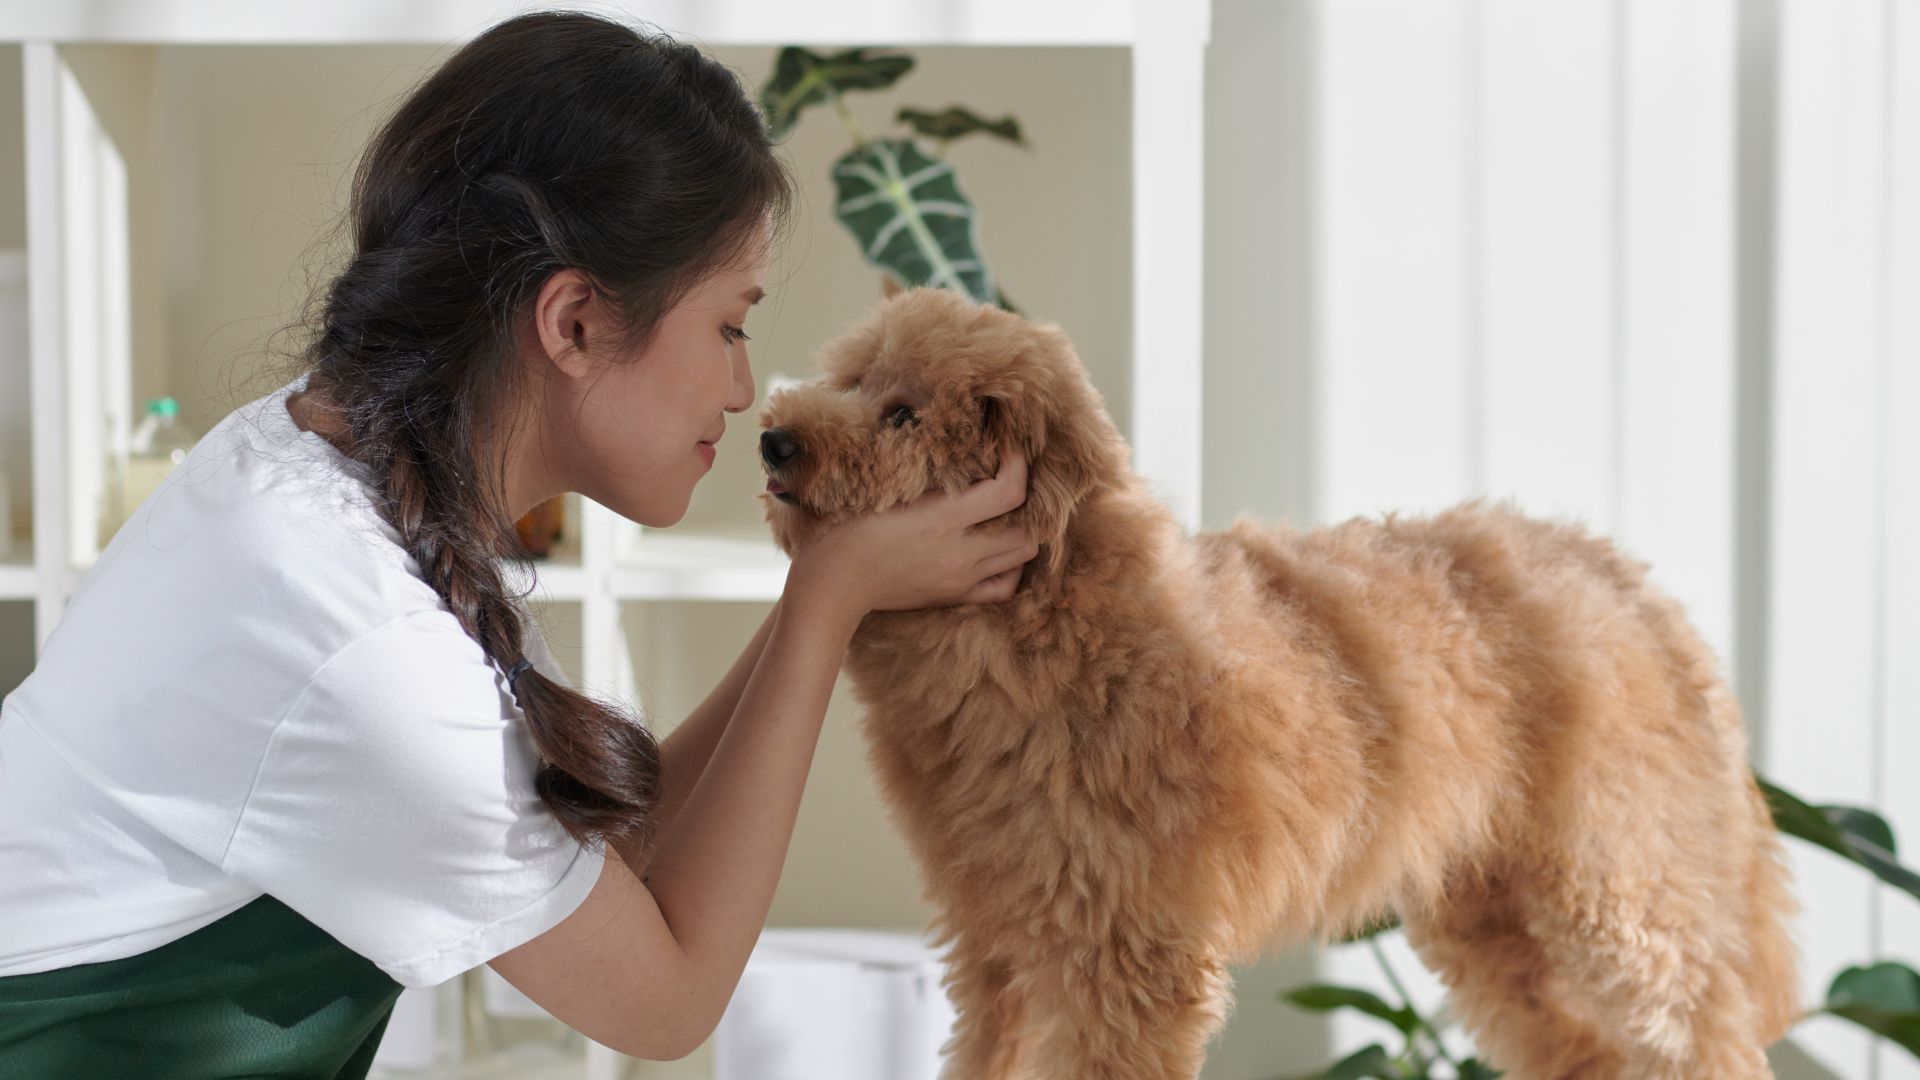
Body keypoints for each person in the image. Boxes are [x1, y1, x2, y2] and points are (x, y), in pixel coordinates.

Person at [0, 12, 1036, 1076]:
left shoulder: (319, 475)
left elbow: (600, 865)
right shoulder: (372, 654)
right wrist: (827, 607)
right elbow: (665, 1003)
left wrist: (822, 594)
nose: (740, 386)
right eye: (729, 324)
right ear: (575, 321)